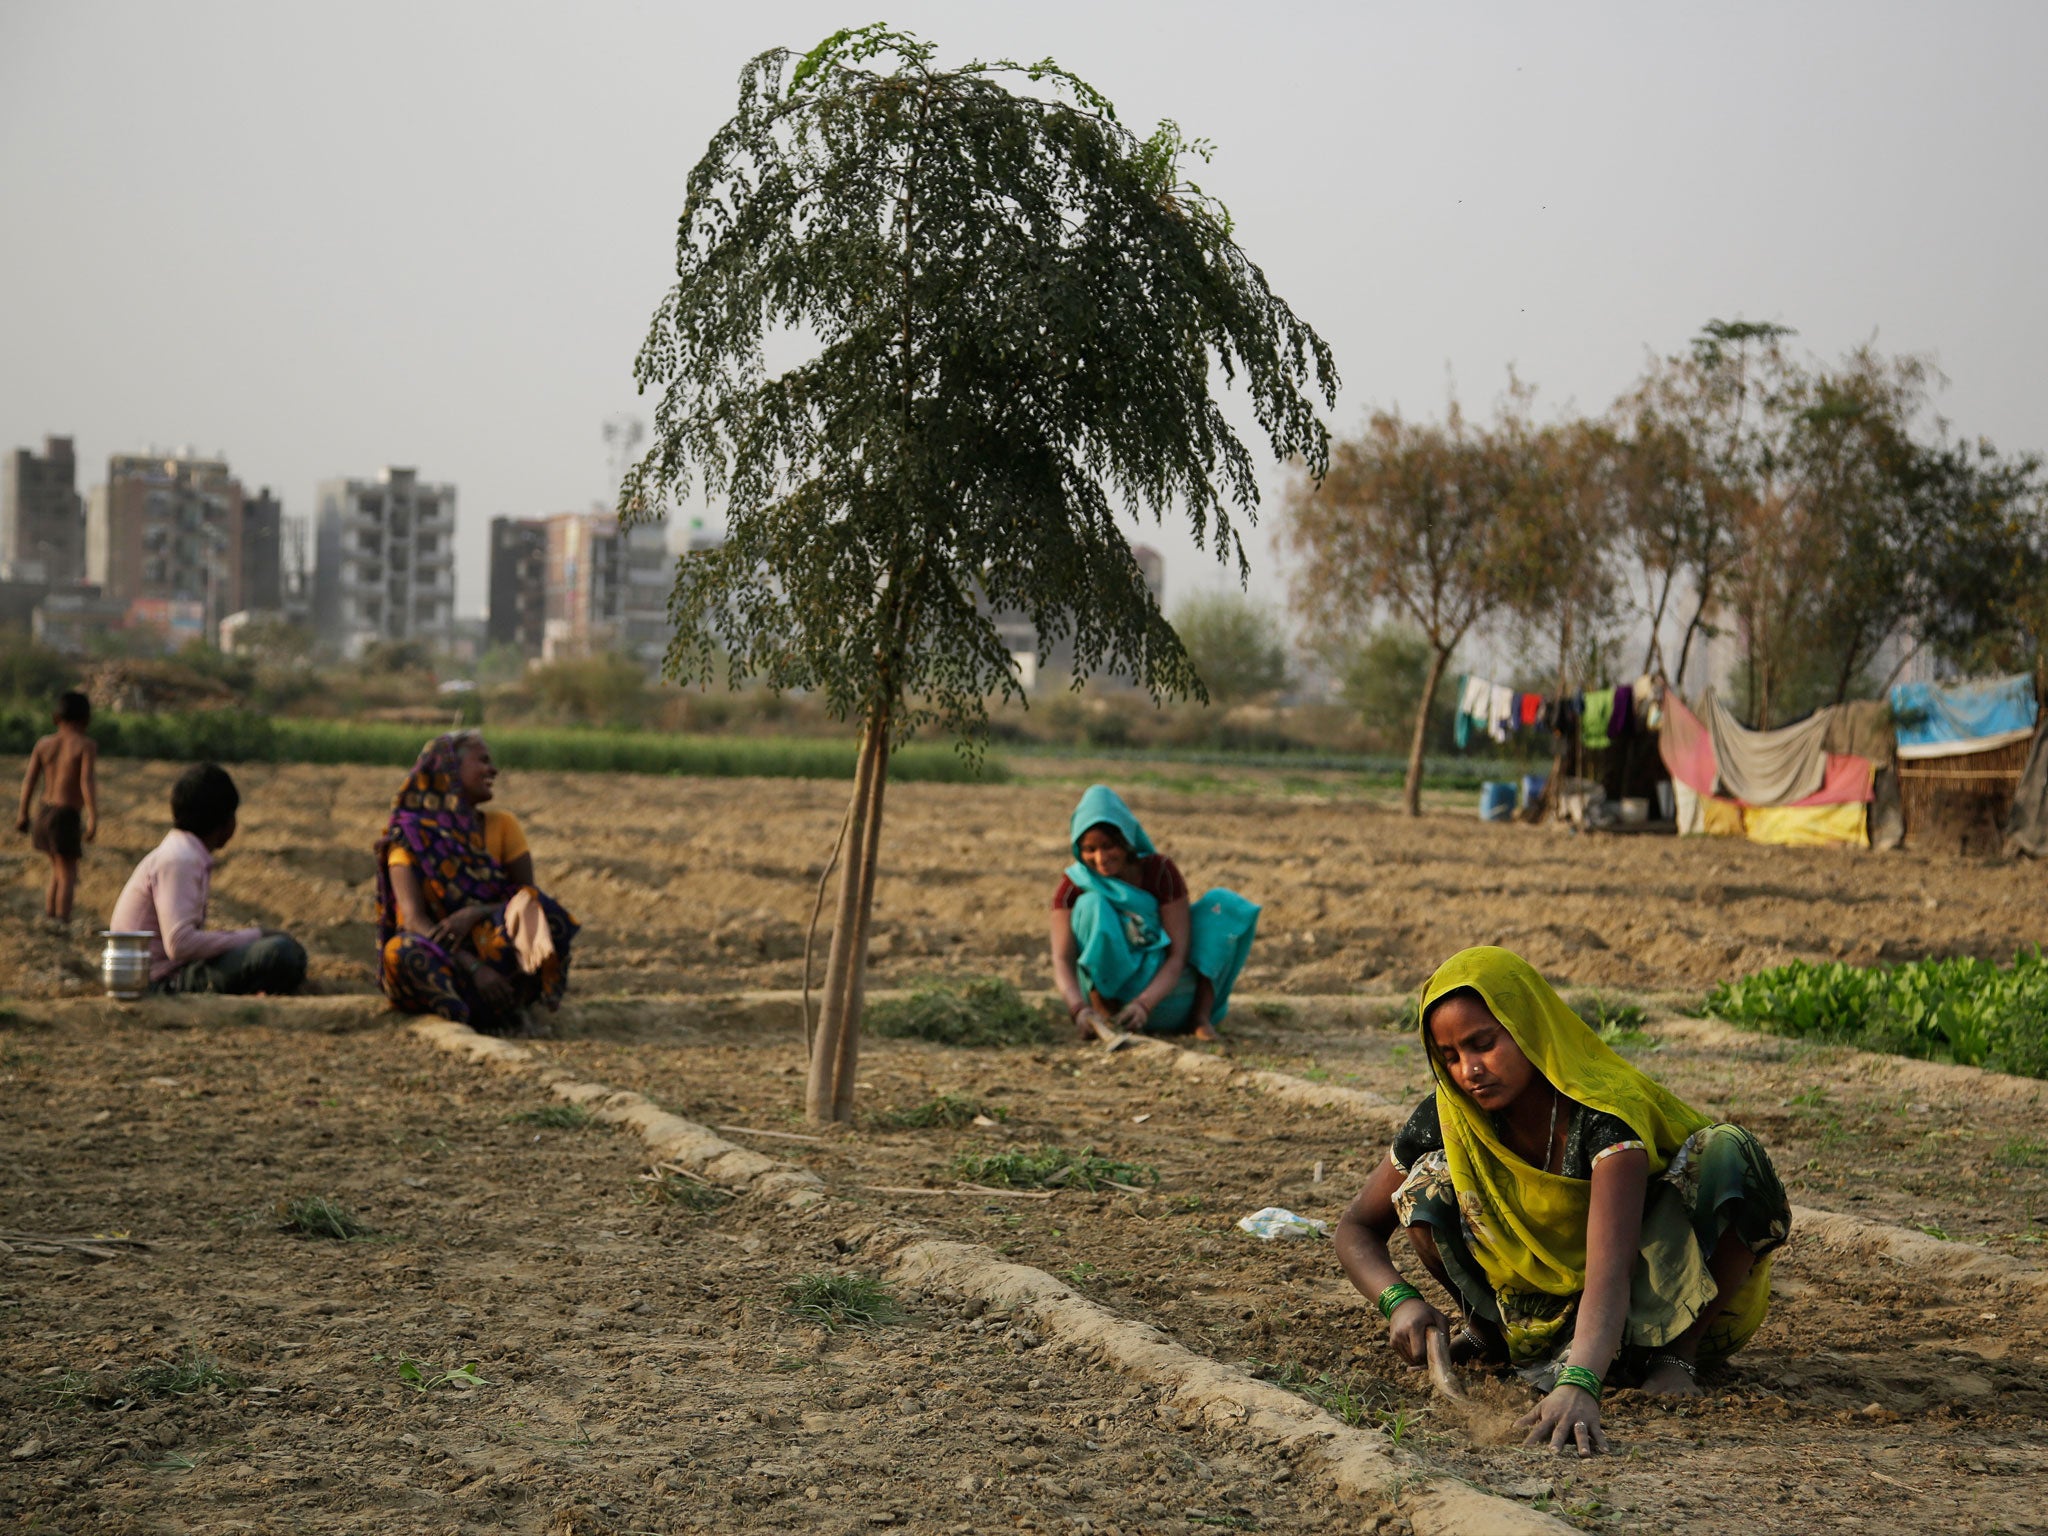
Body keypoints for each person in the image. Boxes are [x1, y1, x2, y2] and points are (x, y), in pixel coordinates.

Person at [1334, 947, 1790, 1458]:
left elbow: (1610, 1272)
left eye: (1484, 1044)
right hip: (1543, 1313)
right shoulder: (1449, 1114)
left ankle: (1674, 1359)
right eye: (1451, 1057)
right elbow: (1355, 1228)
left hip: (1656, 1297)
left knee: (1732, 1153)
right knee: (1429, 1182)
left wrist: (1579, 1385)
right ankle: (1490, 1331)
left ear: (1528, 1027)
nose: (1470, 1070)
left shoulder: (1602, 1117)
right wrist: (1400, 1302)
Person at [375, 731, 577, 1037]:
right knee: (400, 953)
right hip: (443, 957)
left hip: (497, 954)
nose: (492, 770)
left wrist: (474, 914)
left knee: (542, 913)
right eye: (482, 761)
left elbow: (526, 897)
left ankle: (513, 1004)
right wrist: (472, 967)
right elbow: (414, 919)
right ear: (449, 770)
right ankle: (462, 1015)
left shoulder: (503, 825)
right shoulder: (408, 837)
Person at [1048, 784, 1260, 1043]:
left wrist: (1144, 1004)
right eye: (1090, 849)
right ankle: (1104, 1011)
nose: (1101, 858)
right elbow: (1061, 959)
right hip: (1110, 994)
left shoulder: (1160, 872)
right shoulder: (1075, 885)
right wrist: (1078, 1009)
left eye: (1109, 846)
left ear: (1126, 841)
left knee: (1222, 904)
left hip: (1166, 994)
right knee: (1091, 905)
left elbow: (1177, 956)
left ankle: (1200, 1018)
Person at [109, 762, 309, 995]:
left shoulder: (180, 853)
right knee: (280, 952)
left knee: (281, 953)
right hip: (160, 980)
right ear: (224, 822)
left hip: (160, 972)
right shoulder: (179, 860)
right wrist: (255, 935)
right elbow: (180, 944)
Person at [15, 689, 98, 922]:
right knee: (68, 873)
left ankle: (51, 917)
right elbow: (86, 781)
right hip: (65, 815)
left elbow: (29, 780)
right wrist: (92, 817)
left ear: (56, 717)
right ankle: (62, 920)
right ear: (86, 719)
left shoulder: (44, 744)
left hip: (43, 812)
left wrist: (23, 813)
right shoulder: (85, 744)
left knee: (57, 870)